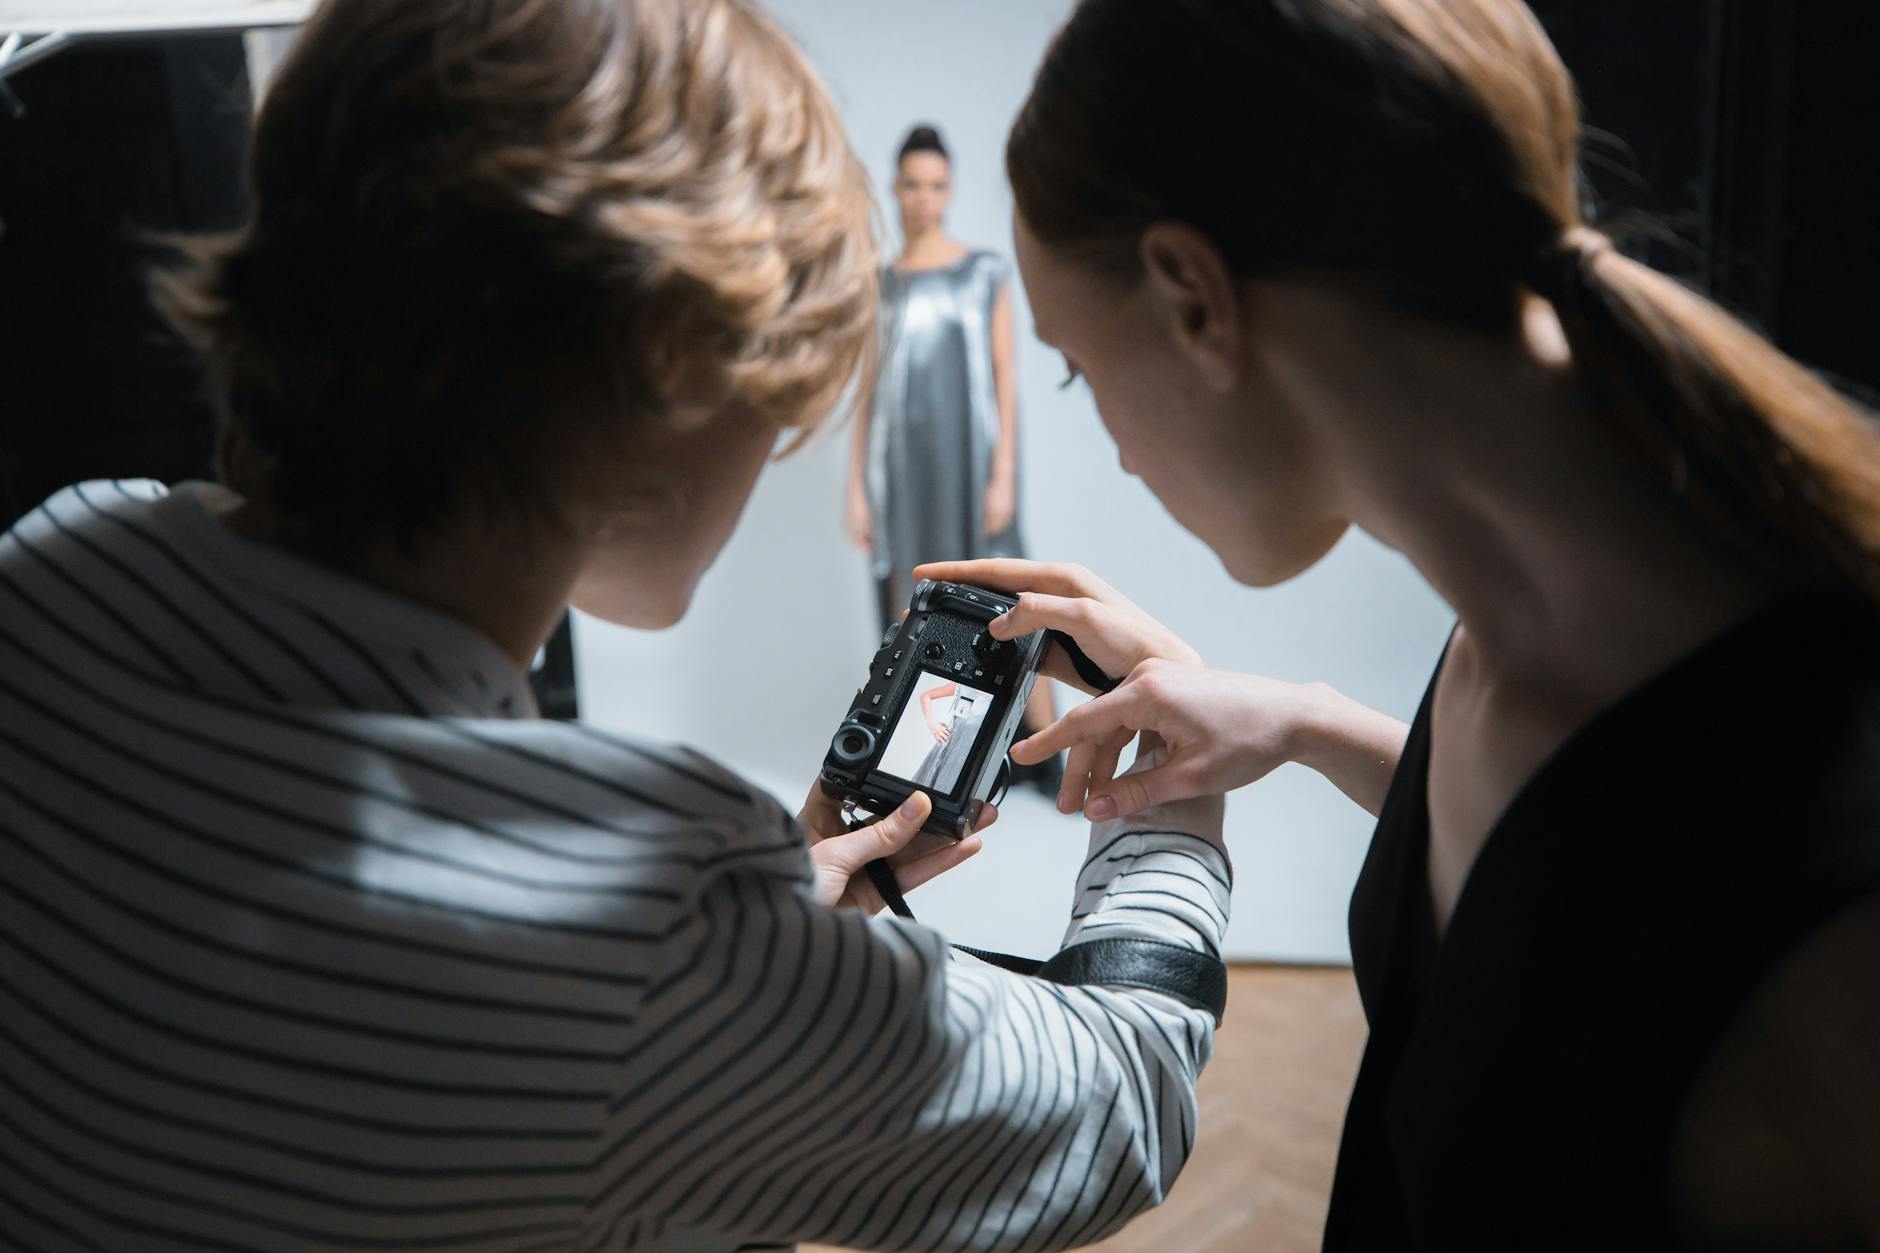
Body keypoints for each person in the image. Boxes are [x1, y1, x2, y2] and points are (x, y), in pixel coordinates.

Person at [0, 1, 1234, 1249]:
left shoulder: (52, 567)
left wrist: (757, 956)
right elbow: (1118, 1104)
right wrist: (1171, 797)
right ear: (672, 378)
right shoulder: (643, 915)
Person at [924, 0, 1880, 1247]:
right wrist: (1305, 723)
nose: (1104, 439)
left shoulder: (1826, 859)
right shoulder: (1550, 613)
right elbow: (1568, 908)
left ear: (1192, 298)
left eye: (1072, 366)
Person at [846, 123, 1062, 794]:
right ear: (895, 188)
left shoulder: (984, 272)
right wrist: (857, 487)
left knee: (1016, 604)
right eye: (912, 184)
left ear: (950, 189)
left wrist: (1004, 474)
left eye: (936, 185)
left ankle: (1047, 754)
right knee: (916, 613)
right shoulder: (878, 286)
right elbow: (865, 394)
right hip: (905, 475)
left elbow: (1005, 381)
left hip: (972, 468)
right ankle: (923, 763)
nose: (924, 198)